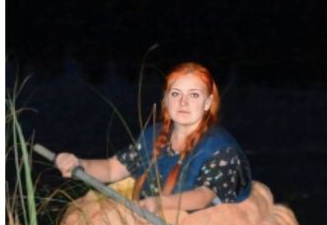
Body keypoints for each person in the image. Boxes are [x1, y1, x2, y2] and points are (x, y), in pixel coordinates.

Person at [55, 62, 252, 214]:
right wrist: (78, 163)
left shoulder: (222, 149)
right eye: (176, 94)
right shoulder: (153, 135)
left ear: (208, 102)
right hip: (151, 212)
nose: (183, 102)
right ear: (166, 100)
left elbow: (203, 196)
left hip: (202, 224)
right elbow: (112, 168)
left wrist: (159, 203)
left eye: (194, 95)